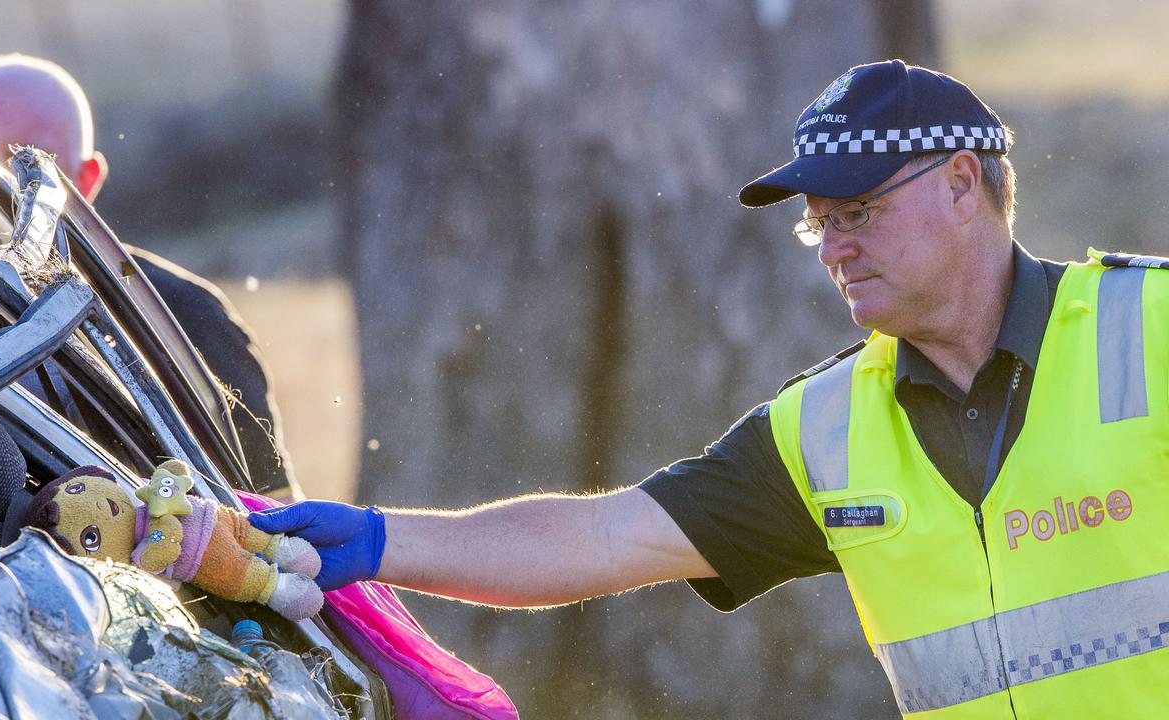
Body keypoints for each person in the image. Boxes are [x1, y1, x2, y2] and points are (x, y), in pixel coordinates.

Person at [249, 59, 1169, 717]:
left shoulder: (1153, 326)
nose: (836, 249)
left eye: (860, 213)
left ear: (964, 186)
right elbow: (604, 536)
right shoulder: (826, 429)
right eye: (819, 227)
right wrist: (376, 538)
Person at [0, 54, 296, 497]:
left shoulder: (182, 316)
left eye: (27, 162)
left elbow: (274, 522)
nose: (0, 188)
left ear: (88, 179)